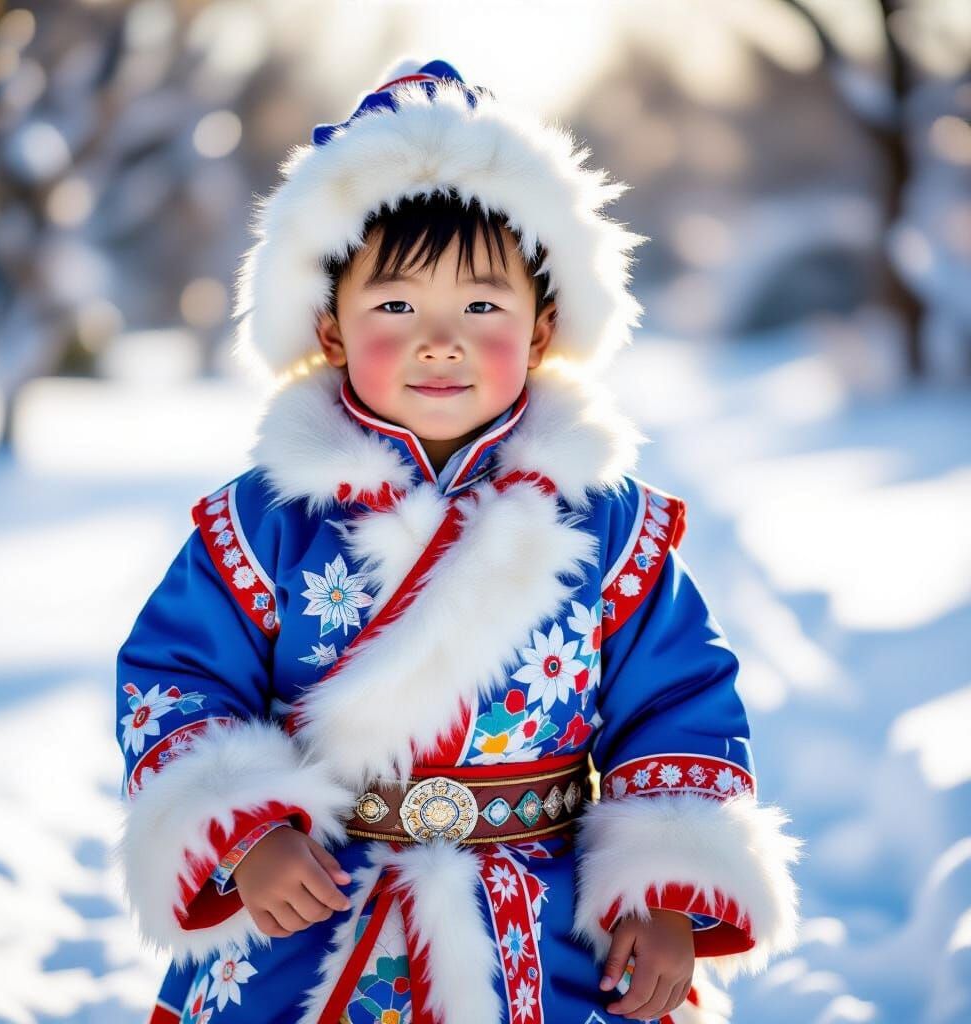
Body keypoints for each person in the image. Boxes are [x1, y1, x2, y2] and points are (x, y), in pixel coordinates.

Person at [113, 58, 803, 1024]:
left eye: (482, 306)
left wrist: (664, 887)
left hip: (544, 927)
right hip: (312, 909)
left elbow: (678, 700)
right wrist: (242, 833)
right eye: (395, 306)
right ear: (331, 328)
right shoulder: (264, 523)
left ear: (544, 325)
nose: (441, 339)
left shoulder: (612, 527)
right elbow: (177, 678)